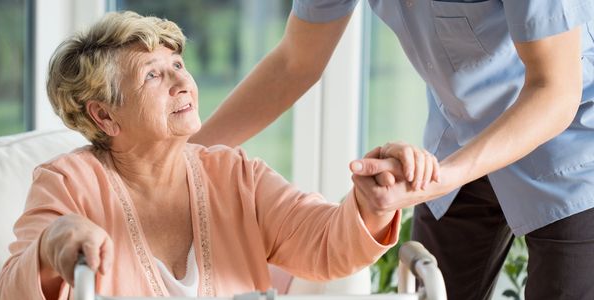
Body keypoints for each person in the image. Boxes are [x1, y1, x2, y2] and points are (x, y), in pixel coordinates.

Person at [0, 11, 440, 299]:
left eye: (178, 66)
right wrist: (51, 249)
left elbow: (324, 243)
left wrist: (372, 204)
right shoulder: (67, 184)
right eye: (153, 75)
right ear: (105, 116)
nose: (181, 82)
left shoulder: (233, 173)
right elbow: (12, 290)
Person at [189, 1, 594, 299]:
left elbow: (554, 90)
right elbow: (296, 61)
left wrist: (440, 179)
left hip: (571, 146)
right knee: (430, 283)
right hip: (459, 131)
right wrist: (180, 158)